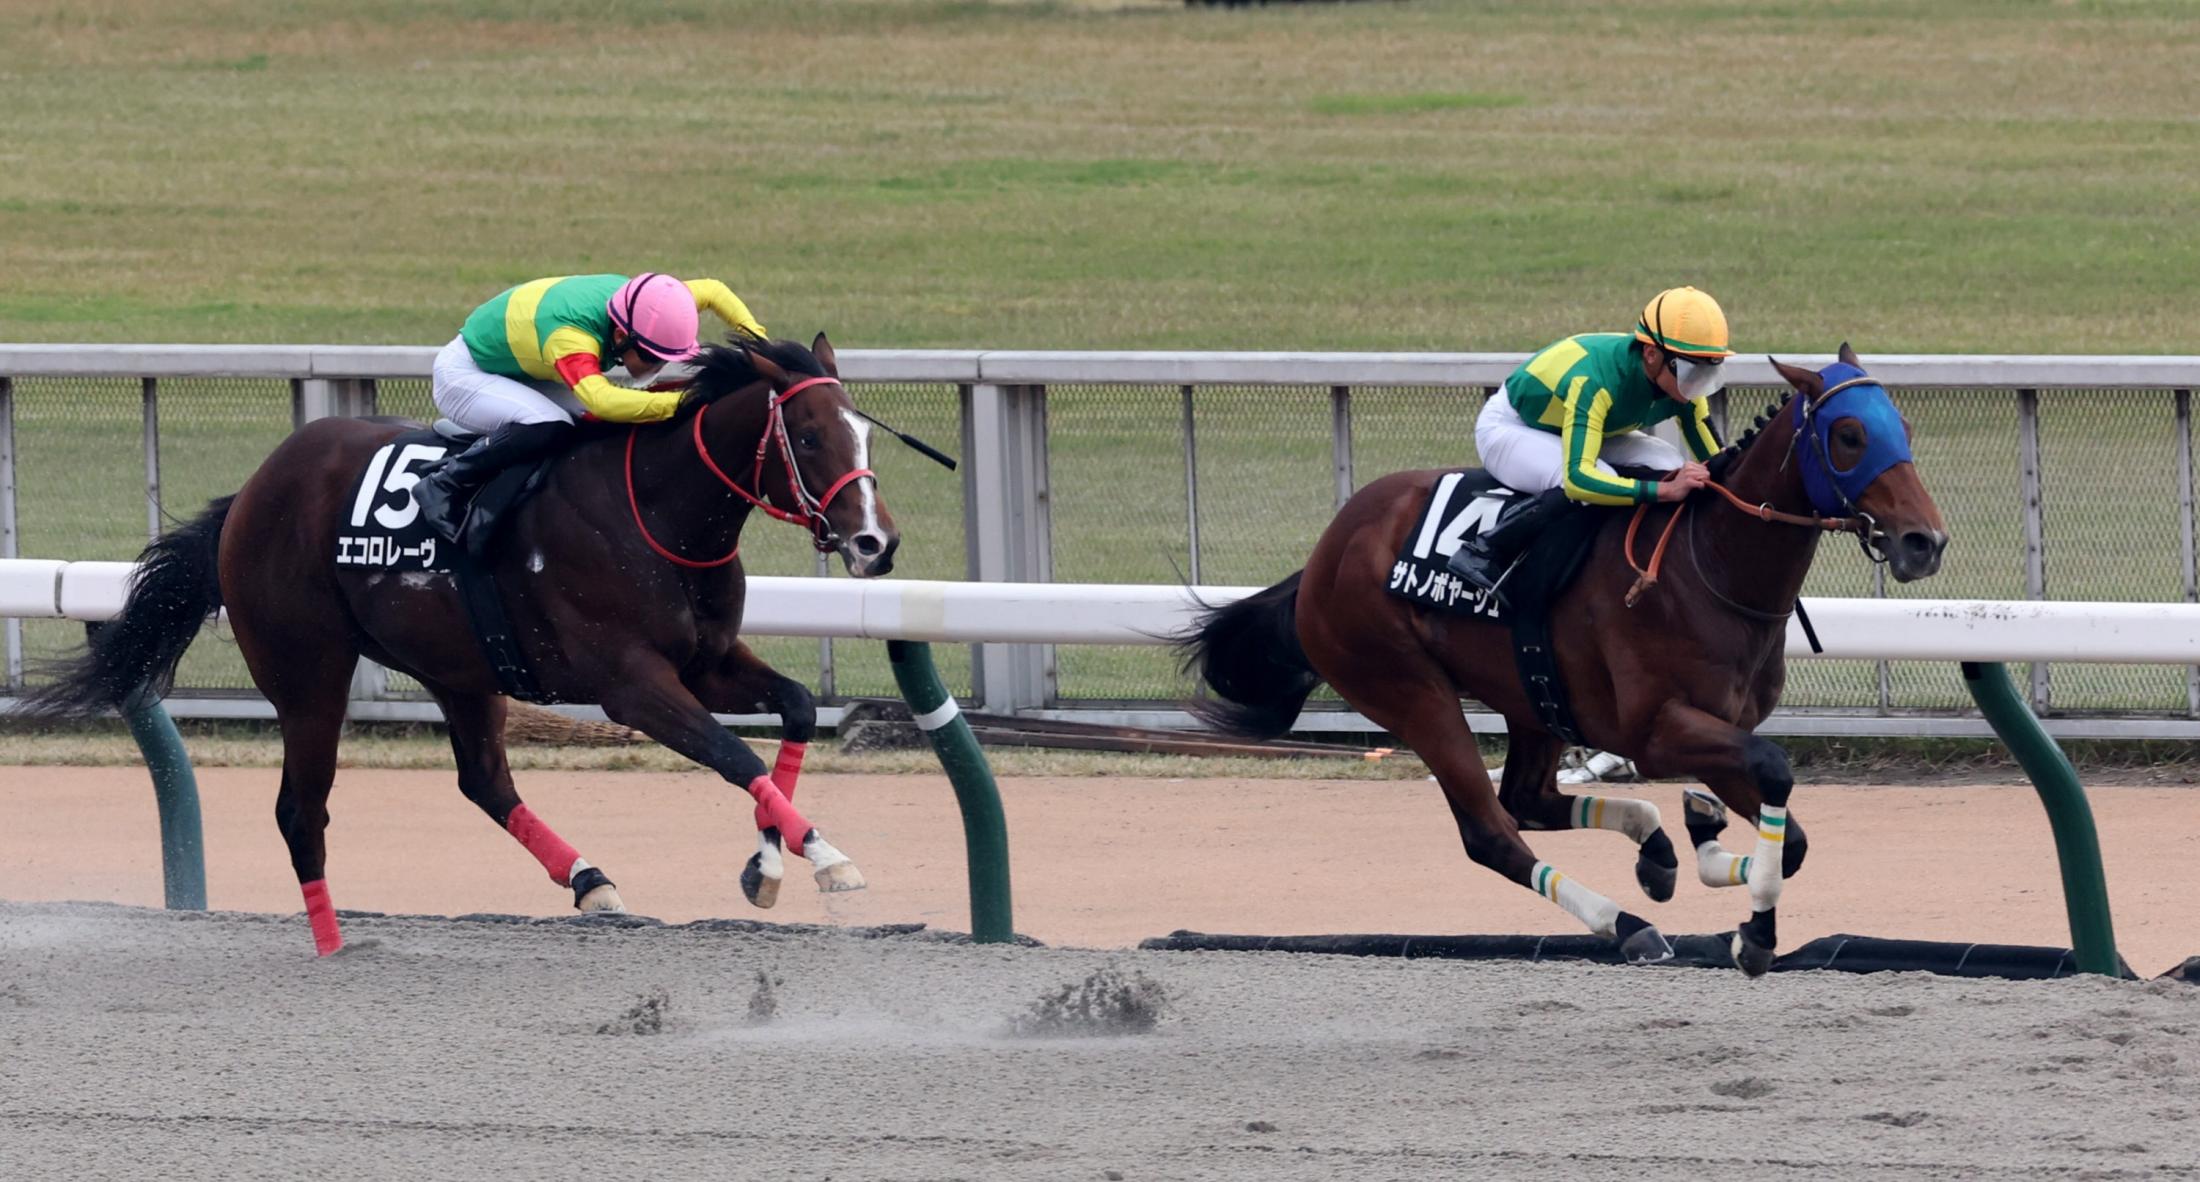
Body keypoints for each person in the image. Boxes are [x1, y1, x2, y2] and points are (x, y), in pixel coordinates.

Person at [410, 271, 768, 547]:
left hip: (520, 367)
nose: (657, 366)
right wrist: (683, 403)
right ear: (619, 337)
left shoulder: (654, 303)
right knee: (550, 424)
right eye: (651, 356)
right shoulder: (571, 337)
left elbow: (715, 290)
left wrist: (758, 341)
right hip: (465, 374)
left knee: (594, 424)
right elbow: (603, 399)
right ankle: (445, 483)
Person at [1445, 285, 1732, 602]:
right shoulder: (1596, 381)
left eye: (1708, 372)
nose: (1697, 385)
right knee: (1598, 478)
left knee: (1669, 463)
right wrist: (1663, 491)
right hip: (1511, 427)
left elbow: (1716, 461)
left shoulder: (1681, 387)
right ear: (1651, 355)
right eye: (1691, 371)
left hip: (1586, 427)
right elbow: (1579, 480)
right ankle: (1485, 550)